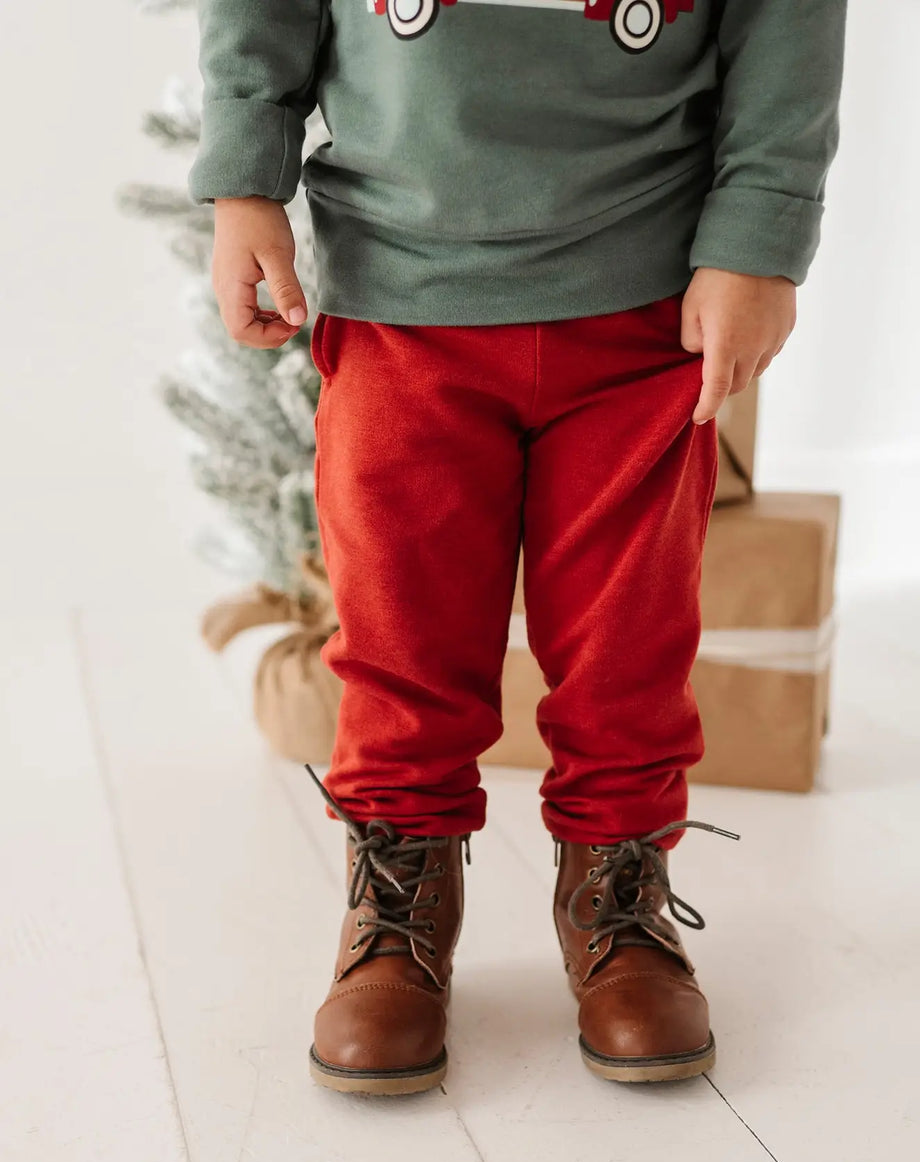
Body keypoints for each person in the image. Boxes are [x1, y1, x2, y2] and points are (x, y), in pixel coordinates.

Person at [189, 0, 847, 1095]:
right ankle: (400, 900)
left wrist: (764, 239)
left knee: (627, 629)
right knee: (400, 621)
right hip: (403, 284)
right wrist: (246, 181)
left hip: (645, 294)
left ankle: (617, 892)